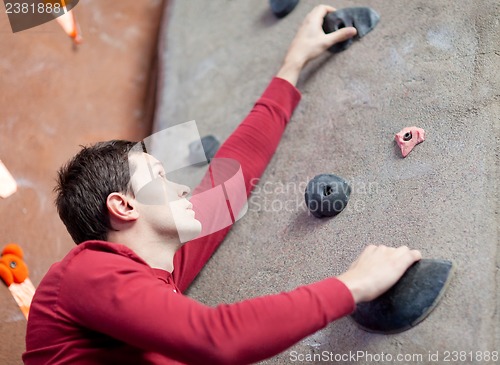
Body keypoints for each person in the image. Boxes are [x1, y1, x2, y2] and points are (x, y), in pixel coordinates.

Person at [23, 5, 421, 365]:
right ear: (124, 207)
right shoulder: (85, 274)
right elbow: (218, 338)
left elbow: (230, 182)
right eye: (160, 177)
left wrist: (293, 64)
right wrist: (353, 284)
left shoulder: (159, 272)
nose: (182, 189)